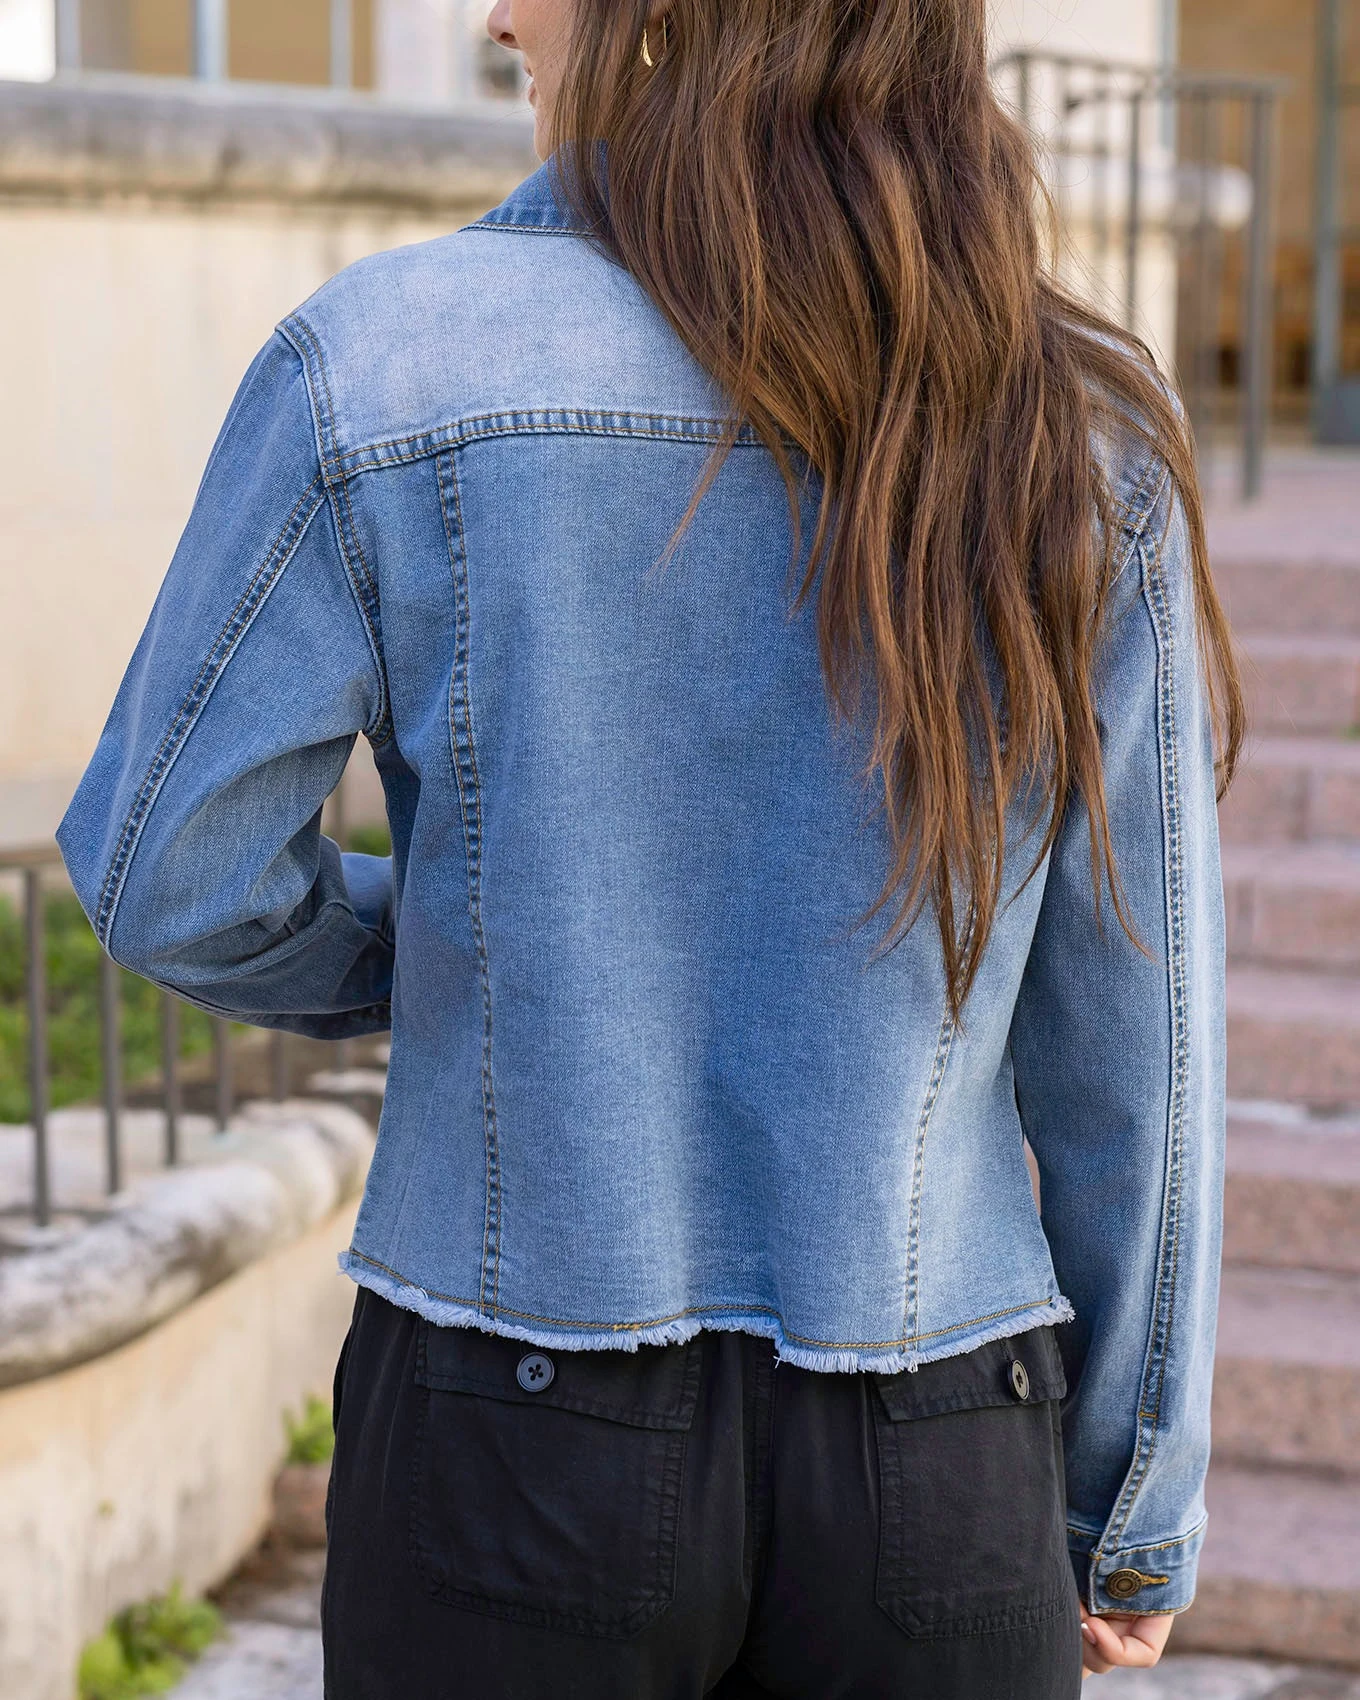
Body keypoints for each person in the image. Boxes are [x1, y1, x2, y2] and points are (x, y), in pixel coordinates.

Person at [59, 0, 1243, 1694]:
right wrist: (1133, 1498)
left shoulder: (384, 365)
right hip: (939, 1446)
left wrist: (490, 943)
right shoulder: (1076, 422)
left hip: (506, 1426)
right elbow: (1136, 1039)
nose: (495, 14)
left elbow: (169, 874)